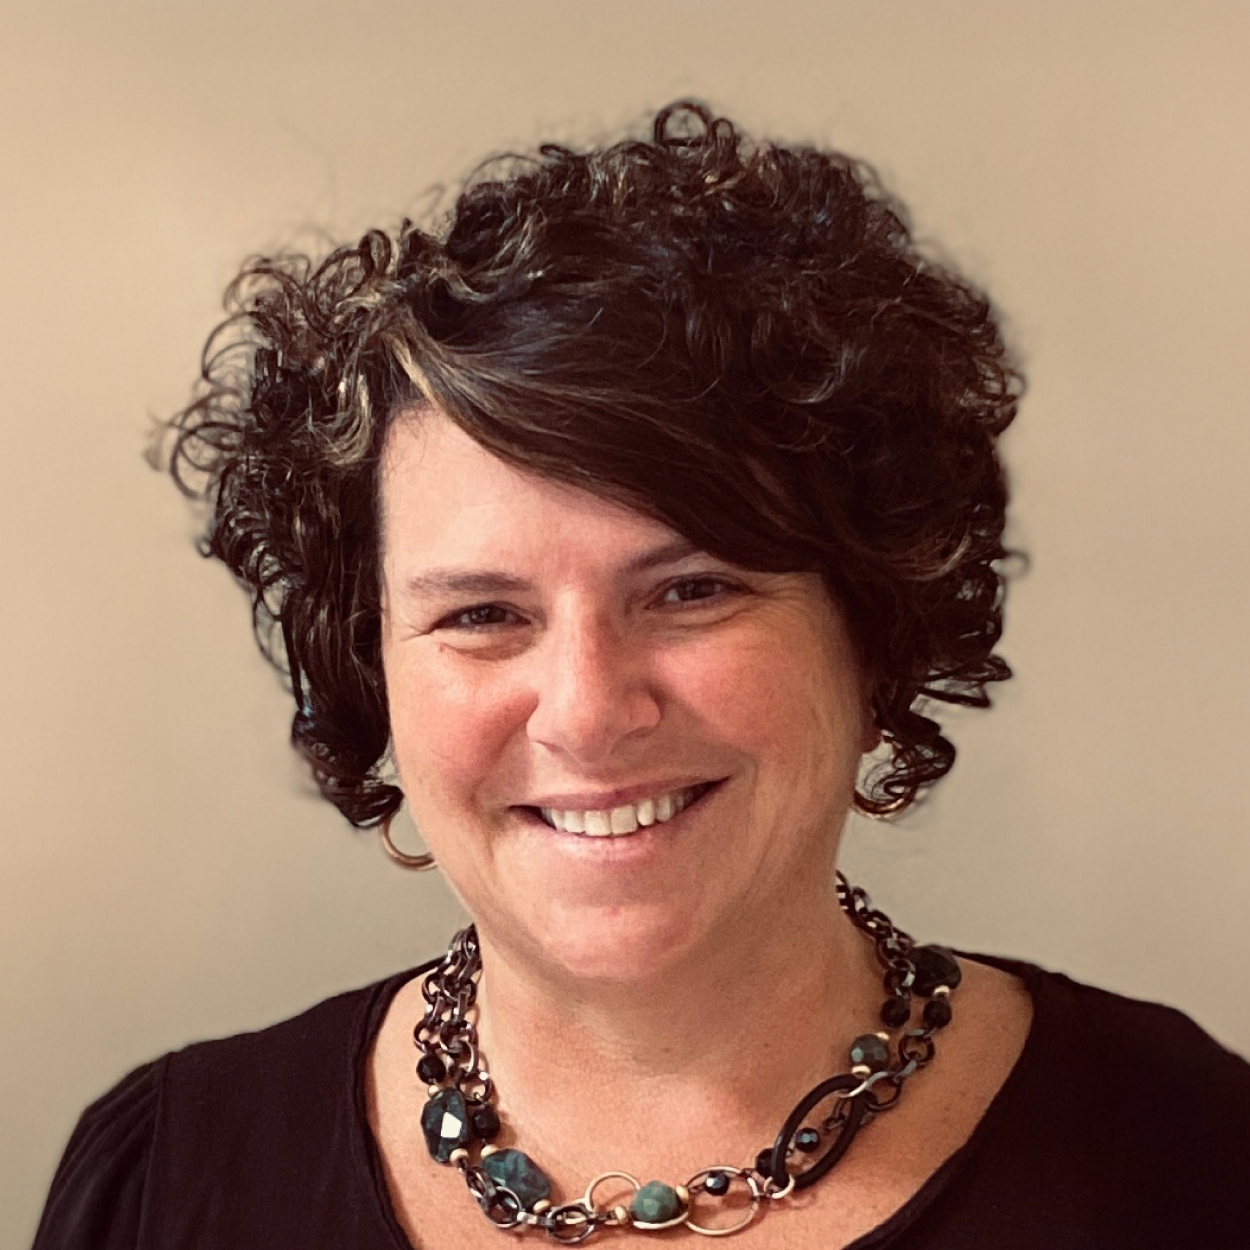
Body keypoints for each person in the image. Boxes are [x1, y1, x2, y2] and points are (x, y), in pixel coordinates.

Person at [33, 101, 1249, 1249]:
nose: (585, 710)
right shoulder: (168, 1182)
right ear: (373, 670)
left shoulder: (1190, 1157)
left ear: (870, 622)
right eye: (482, 613)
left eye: (689, 589)